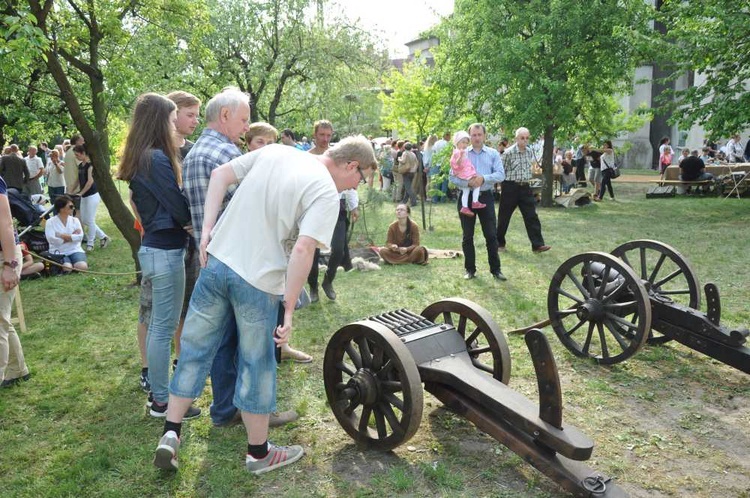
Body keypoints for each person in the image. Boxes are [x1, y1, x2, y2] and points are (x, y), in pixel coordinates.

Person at [152, 135, 376, 475]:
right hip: (258, 280)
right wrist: (287, 308)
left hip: (216, 264)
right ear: (351, 165)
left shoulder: (275, 150)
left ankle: (171, 432)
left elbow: (220, 176)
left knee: (194, 349)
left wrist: (207, 229)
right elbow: (303, 250)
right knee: (257, 364)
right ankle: (258, 453)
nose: (356, 185)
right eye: (361, 178)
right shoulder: (327, 192)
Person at [183, 88, 298, 428]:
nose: (247, 128)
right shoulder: (224, 153)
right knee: (252, 344)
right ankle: (254, 412)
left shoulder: (194, 152)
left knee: (223, 340)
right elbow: (258, 204)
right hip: (243, 262)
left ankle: (224, 409)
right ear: (224, 116)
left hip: (213, 260)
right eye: (245, 119)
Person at [117, 93, 200, 420]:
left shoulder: (144, 156)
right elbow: (177, 206)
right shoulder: (156, 159)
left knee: (159, 327)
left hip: (157, 248)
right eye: (170, 119)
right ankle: (161, 401)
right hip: (165, 251)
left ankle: (159, 395)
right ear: (158, 121)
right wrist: (195, 227)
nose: (173, 124)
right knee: (163, 330)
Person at [244, 121, 311, 364]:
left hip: (277, 244)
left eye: (270, 143)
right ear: (248, 144)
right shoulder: (243, 170)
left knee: (281, 298)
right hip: (251, 248)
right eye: (259, 142)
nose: (265, 147)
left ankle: (282, 347)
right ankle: (260, 351)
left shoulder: (280, 171)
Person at [306, 120, 359, 304]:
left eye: (328, 135)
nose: (325, 139)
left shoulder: (339, 157)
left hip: (337, 208)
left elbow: (350, 183)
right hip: (313, 209)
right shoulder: (307, 157)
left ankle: (328, 281)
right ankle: (312, 286)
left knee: (338, 249)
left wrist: (354, 206)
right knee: (311, 252)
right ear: (315, 135)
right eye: (322, 135)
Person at [449, 123, 506, 281]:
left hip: (485, 196)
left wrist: (483, 179)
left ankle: (496, 270)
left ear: (484, 136)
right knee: (468, 236)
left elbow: (501, 175)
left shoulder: (493, 153)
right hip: (466, 199)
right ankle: (470, 269)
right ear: (469, 137)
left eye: (479, 135)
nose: (476, 138)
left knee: (491, 235)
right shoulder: (461, 153)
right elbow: (452, 176)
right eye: (473, 135)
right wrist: (467, 183)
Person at [497, 127, 551, 254]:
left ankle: (537, 245)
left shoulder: (529, 151)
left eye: (527, 138)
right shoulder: (508, 153)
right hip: (510, 187)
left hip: (525, 187)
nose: (525, 140)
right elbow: (500, 170)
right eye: (522, 138)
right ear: (516, 138)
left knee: (531, 216)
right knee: (504, 217)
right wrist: (501, 187)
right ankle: (499, 243)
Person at [0, 173, 29, 388]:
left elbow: (6, 224)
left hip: (4, 257)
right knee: (2, 319)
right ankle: (17, 370)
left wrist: (10, 265)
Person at [68, 144, 110, 251]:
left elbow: (90, 182)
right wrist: (70, 191)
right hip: (84, 196)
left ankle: (90, 244)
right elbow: (77, 180)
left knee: (90, 220)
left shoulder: (90, 165)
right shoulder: (81, 165)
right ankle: (103, 237)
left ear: (83, 153)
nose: (76, 157)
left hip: (92, 195)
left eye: (77, 155)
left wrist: (81, 193)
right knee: (85, 220)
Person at [43, 195, 88, 272]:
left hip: (75, 249)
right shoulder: (50, 222)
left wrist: (61, 235)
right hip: (58, 251)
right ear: (61, 208)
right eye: (70, 206)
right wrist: (72, 237)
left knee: (82, 266)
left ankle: (73, 264)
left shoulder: (75, 220)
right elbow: (51, 240)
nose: (73, 208)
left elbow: (80, 237)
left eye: (73, 206)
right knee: (67, 268)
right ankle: (68, 265)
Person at [450, 131, 486, 216]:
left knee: (465, 190)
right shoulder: (457, 152)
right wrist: (460, 155)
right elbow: (457, 163)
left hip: (465, 172)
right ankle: (475, 201)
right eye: (463, 142)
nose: (465, 144)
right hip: (464, 173)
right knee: (477, 184)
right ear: (457, 143)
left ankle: (465, 207)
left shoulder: (462, 151)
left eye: (466, 142)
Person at [398, 142, 418, 206]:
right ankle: (404, 201)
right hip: (412, 172)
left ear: (404, 147)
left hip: (406, 171)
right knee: (408, 187)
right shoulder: (413, 154)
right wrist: (414, 169)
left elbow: (403, 161)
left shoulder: (405, 153)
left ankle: (413, 201)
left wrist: (399, 159)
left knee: (408, 187)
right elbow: (416, 162)